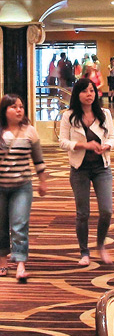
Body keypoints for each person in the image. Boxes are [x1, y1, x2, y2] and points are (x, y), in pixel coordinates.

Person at [59, 78, 114, 266]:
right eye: (85, 91)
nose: (89, 94)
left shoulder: (104, 113)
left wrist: (106, 145)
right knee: (83, 213)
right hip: (79, 169)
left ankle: (101, 245)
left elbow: (113, 138)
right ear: (78, 94)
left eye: (92, 90)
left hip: (102, 167)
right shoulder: (69, 116)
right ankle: (84, 251)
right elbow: (62, 142)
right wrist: (84, 145)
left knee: (106, 211)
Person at [0, 95, 48, 283]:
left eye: (21, 107)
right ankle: (3, 260)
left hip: (22, 186)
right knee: (1, 226)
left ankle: (20, 264)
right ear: (4, 111)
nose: (19, 110)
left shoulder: (30, 132)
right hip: (0, 186)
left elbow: (38, 159)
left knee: (19, 224)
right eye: (14, 107)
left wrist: (42, 181)